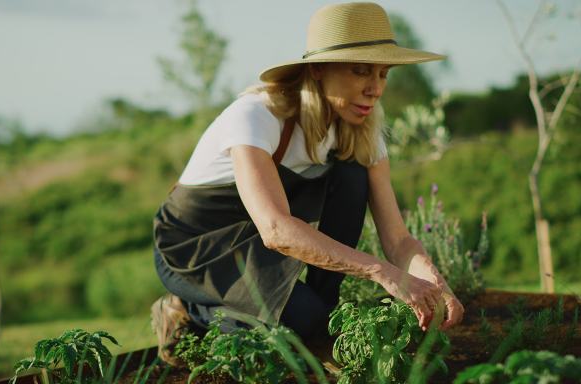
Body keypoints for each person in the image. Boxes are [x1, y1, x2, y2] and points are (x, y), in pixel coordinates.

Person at [151, 1, 464, 366]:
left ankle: (318, 309)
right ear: (317, 69)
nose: (375, 89)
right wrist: (384, 273)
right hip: (195, 250)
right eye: (362, 71)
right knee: (286, 337)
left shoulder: (363, 130)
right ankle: (186, 308)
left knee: (350, 178)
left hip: (257, 246)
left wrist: (433, 283)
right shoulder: (256, 116)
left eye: (383, 74)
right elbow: (275, 230)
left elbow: (396, 238)